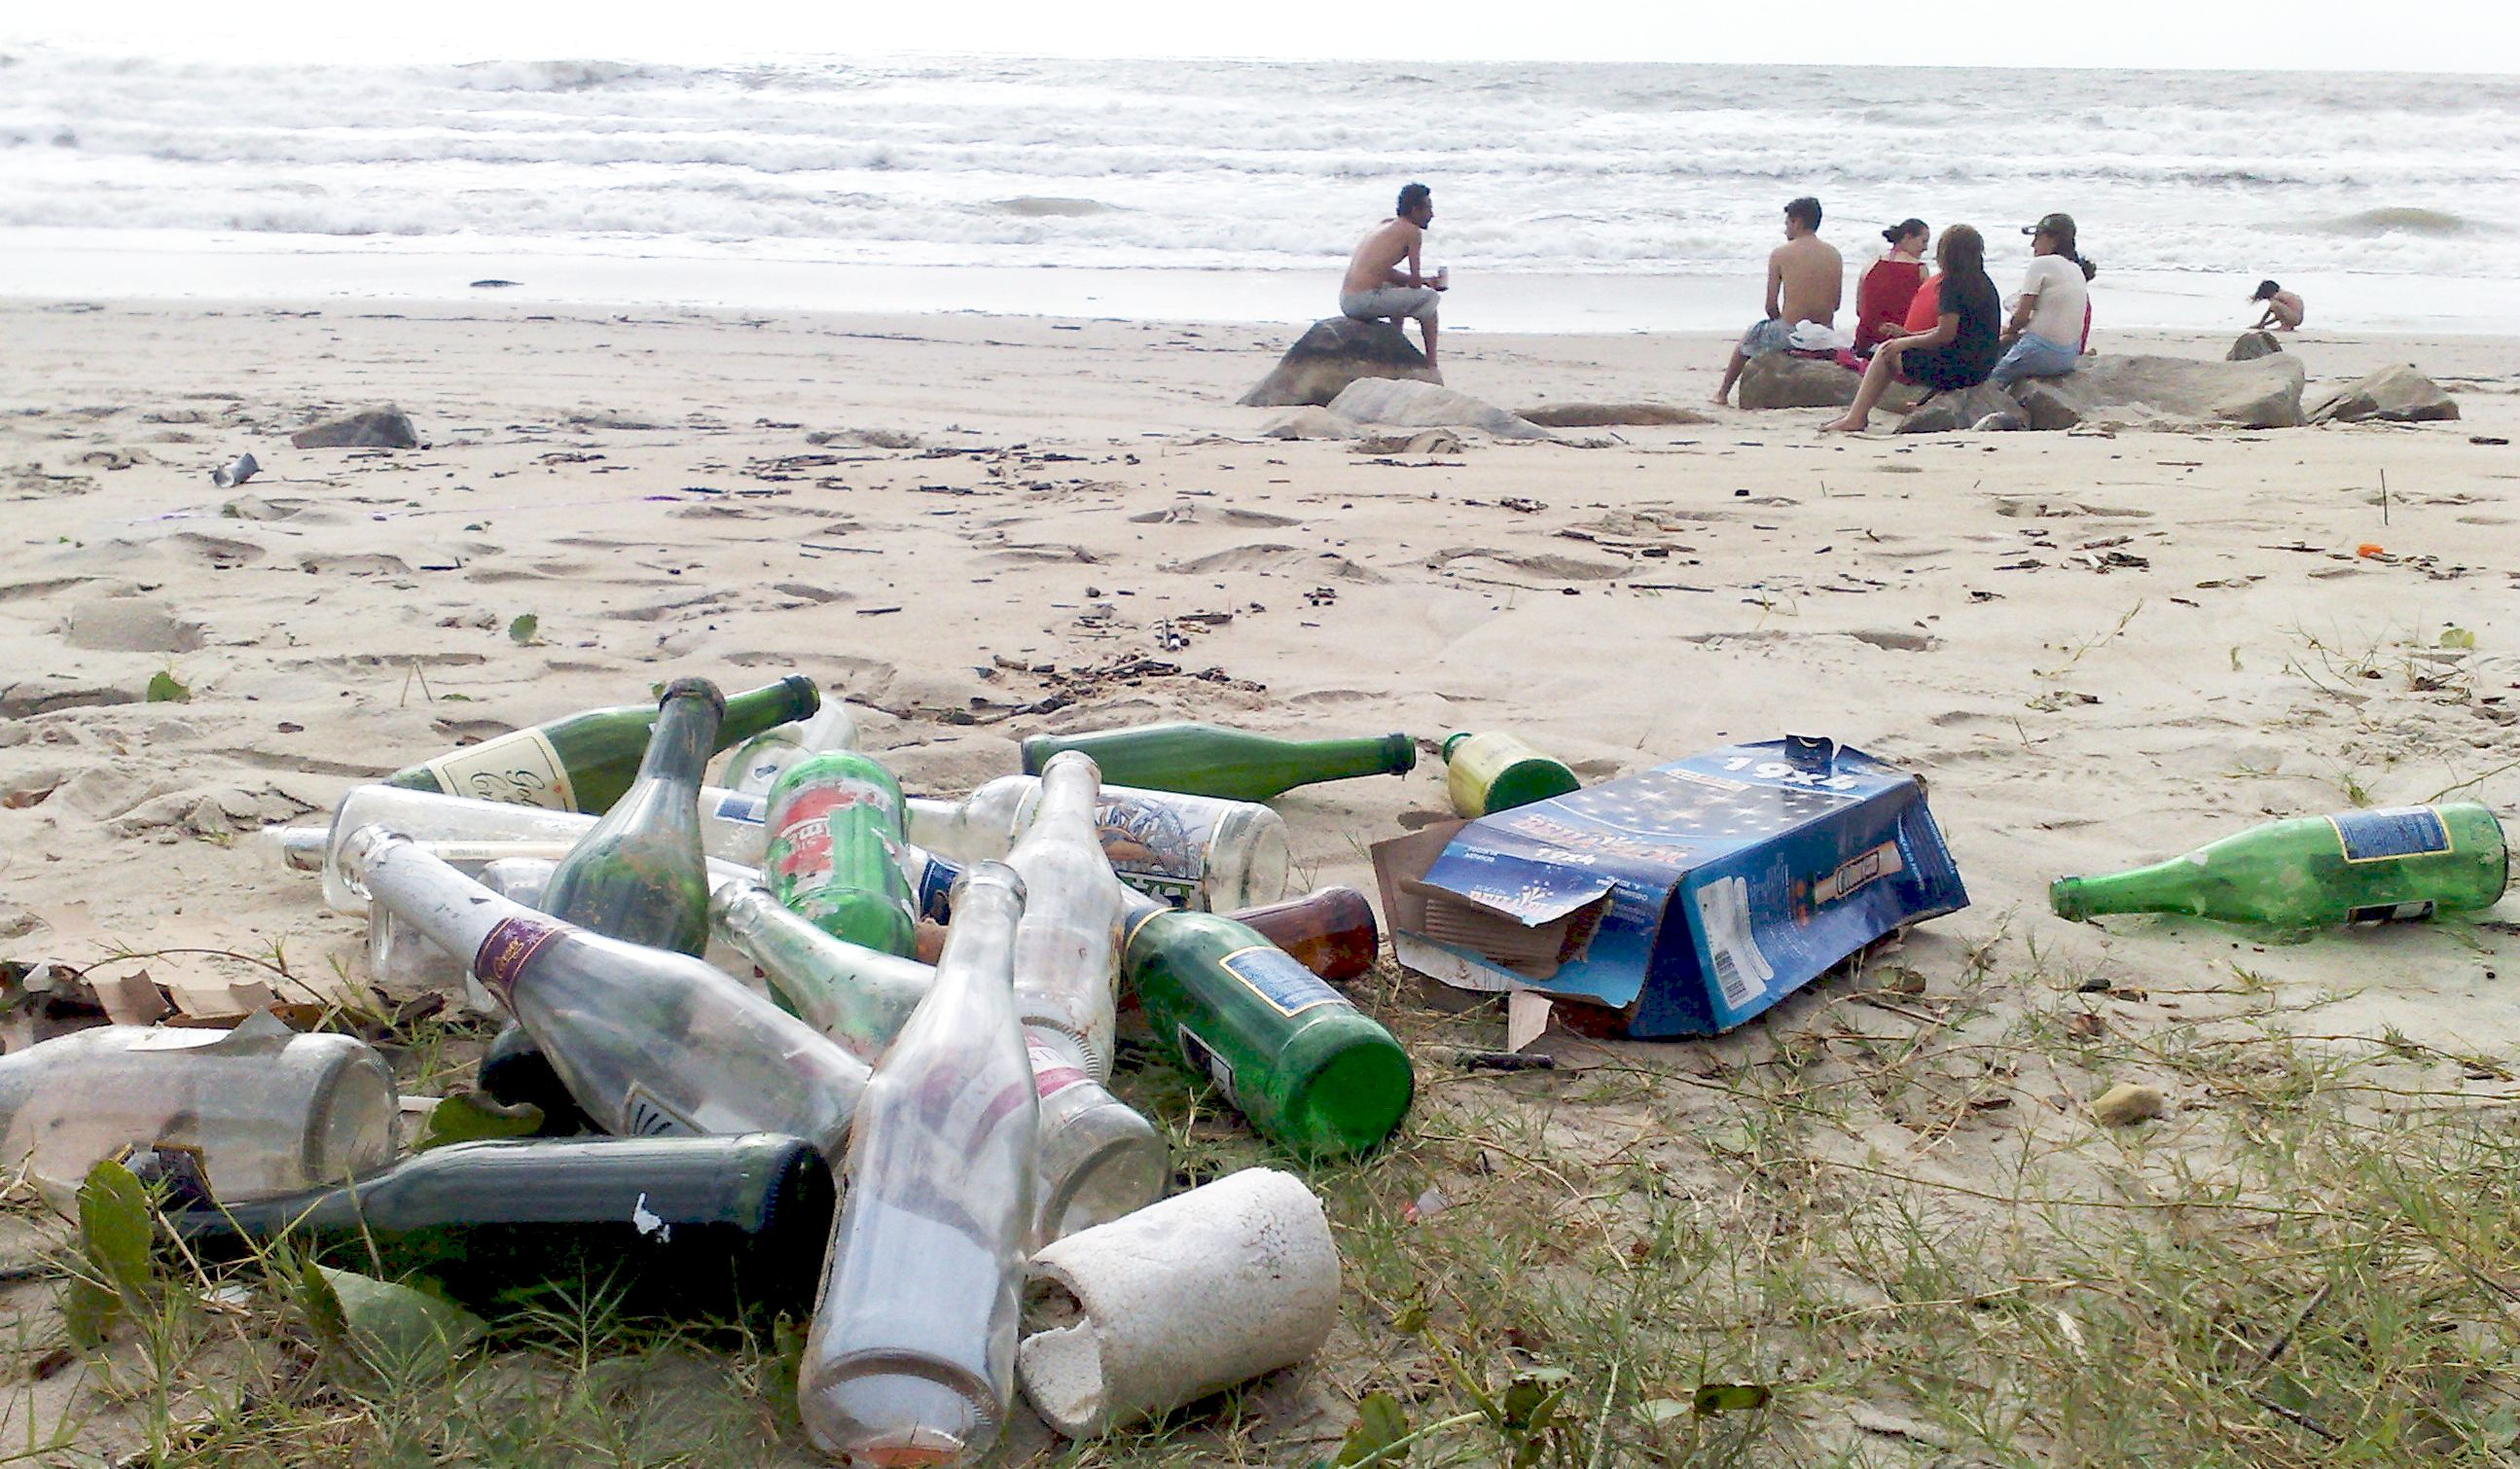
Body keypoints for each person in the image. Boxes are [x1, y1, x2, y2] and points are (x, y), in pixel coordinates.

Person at [1823, 224, 1999, 434]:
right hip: (1981, 367)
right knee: (1902, 346)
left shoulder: (1952, 284)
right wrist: (1909, 335)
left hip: (1960, 369)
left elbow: (1945, 334)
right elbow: (1957, 333)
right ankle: (1925, 402)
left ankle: (1856, 417)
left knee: (1886, 352)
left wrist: (1904, 342)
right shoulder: (1983, 282)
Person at [1712, 197, 1844, 405]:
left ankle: (1722, 393)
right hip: (1825, 332)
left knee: (1750, 336)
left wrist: (1779, 322)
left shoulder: (1781, 253)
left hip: (1792, 332)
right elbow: (1836, 304)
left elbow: (1770, 306)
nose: (1785, 231)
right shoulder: (1834, 254)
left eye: (1787, 224)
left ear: (1797, 222)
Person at [1341, 182, 1448, 371]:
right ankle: (1431, 362)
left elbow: (1383, 272)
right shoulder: (1412, 232)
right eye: (1428, 209)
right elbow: (1414, 284)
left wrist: (1425, 281)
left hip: (1347, 299)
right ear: (1415, 210)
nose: (1432, 215)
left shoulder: (1385, 224)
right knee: (1430, 299)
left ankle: (1396, 344)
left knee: (1397, 289)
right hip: (1364, 301)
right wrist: (1430, 284)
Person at [1991, 212, 2096, 388]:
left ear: (2054, 240)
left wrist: (2006, 332)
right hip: (2069, 355)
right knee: (2006, 346)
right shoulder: (2076, 269)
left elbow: (2022, 317)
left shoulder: (2041, 264)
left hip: (2042, 350)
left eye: (2038, 237)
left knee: (1993, 378)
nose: (2033, 244)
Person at [1854, 218, 1929, 354]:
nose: (1926, 248)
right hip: (1899, 345)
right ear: (1907, 237)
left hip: (1865, 343)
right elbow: (1925, 315)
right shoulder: (1919, 269)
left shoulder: (1871, 264)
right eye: (1923, 241)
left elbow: (1859, 310)